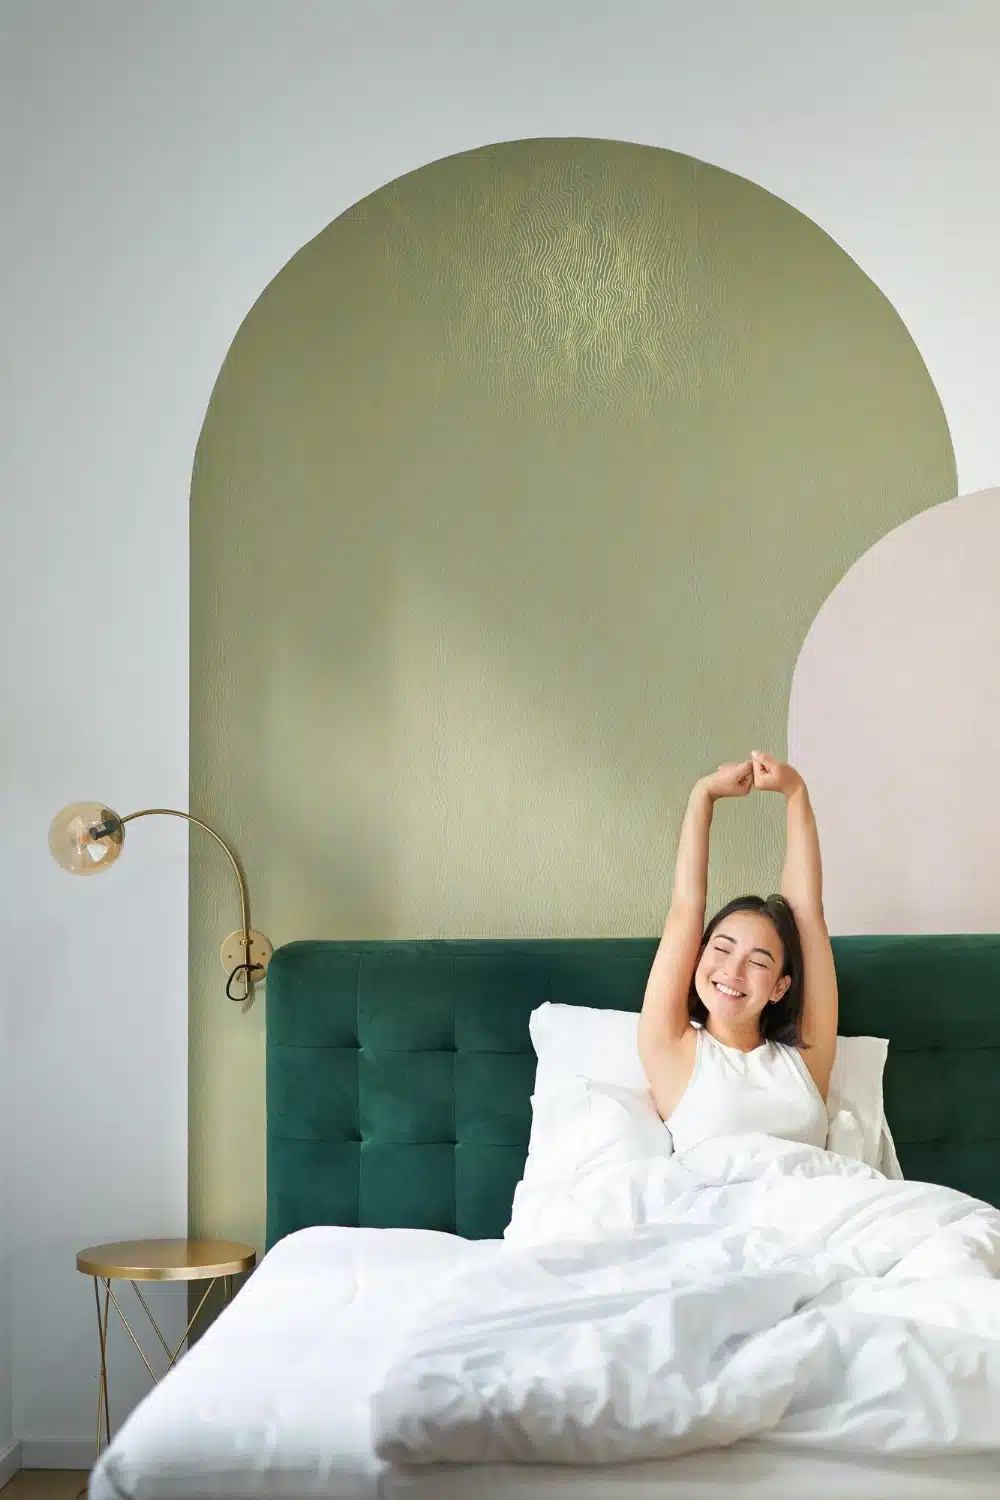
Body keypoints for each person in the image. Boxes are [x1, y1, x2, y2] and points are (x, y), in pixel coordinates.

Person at [638, 753, 837, 1155]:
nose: (733, 970)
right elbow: (684, 911)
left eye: (759, 961)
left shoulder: (804, 1060)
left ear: (780, 987)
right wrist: (703, 796)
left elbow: (807, 914)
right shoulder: (672, 1050)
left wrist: (796, 792)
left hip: (818, 1191)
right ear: (698, 957)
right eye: (722, 948)